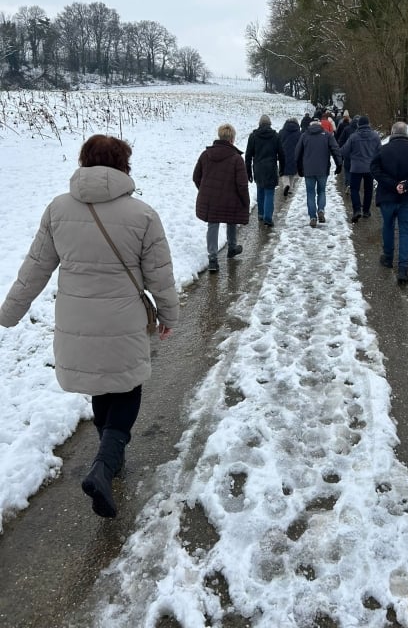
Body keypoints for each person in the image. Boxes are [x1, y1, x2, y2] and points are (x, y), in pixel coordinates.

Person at [0, 134, 179, 519]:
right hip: (123, 320)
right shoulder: (142, 215)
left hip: (76, 321)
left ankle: (107, 457)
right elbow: (159, 276)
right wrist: (169, 315)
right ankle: (106, 461)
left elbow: (35, 269)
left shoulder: (57, 210)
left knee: (101, 385)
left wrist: (9, 312)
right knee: (127, 387)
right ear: (122, 166)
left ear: (84, 162)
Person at [371, 121, 408, 284]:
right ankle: (403, 267)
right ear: (406, 133)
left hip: (387, 197)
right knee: (405, 231)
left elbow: (374, 169)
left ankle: (388, 258)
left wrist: (392, 183)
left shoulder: (383, 150)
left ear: (392, 132)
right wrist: (406, 185)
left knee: (388, 226)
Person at [193, 123, 250, 273]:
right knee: (231, 218)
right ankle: (232, 247)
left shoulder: (205, 155)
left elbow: (196, 177)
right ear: (232, 139)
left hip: (211, 200)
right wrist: (245, 201)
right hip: (230, 199)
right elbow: (242, 185)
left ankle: (212, 258)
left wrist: (205, 190)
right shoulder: (237, 159)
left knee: (213, 224)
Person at [295, 118, 342, 227]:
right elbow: (335, 149)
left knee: (310, 193)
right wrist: (339, 164)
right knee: (321, 191)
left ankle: (312, 217)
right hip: (322, 169)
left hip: (308, 170)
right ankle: (321, 209)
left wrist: (299, 167)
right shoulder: (327, 135)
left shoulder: (305, 136)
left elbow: (297, 153)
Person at [245, 114, 285, 228]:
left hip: (258, 167)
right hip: (271, 167)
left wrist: (248, 171)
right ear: (270, 124)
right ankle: (268, 217)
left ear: (259, 124)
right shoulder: (275, 136)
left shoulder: (253, 136)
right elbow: (281, 154)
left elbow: (248, 155)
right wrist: (282, 168)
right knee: (269, 192)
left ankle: (261, 214)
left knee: (260, 190)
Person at [341, 115, 382, 222]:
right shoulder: (375, 136)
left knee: (354, 189)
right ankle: (366, 211)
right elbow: (379, 152)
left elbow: (344, 151)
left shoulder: (353, 137)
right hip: (370, 168)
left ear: (359, 125)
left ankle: (357, 210)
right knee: (368, 190)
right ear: (368, 124)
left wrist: (352, 156)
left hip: (356, 167)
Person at [278, 117, 301, 196]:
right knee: (292, 172)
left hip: (283, 154)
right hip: (295, 154)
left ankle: (286, 185)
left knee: (284, 172)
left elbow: (278, 142)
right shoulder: (298, 133)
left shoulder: (281, 132)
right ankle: (290, 188)